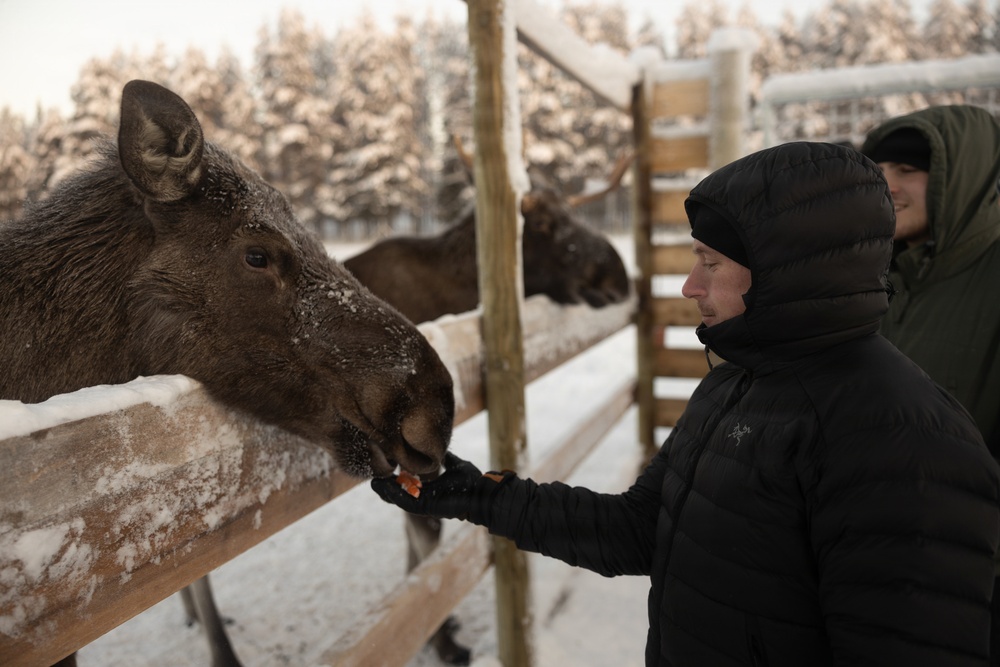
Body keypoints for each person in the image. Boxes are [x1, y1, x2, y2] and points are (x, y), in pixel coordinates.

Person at [373, 141, 1000, 666]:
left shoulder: (905, 441)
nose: (689, 285)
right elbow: (639, 531)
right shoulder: (735, 385)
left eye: (710, 262)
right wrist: (479, 495)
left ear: (790, 271)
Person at [861, 105, 1000, 664]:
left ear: (962, 177)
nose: (886, 186)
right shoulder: (868, 275)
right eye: (877, 170)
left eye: (907, 170)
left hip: (969, 591)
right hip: (862, 573)